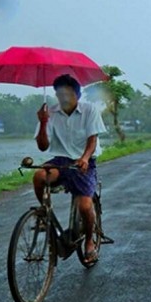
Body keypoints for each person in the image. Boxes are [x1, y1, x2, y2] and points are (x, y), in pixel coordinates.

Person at [33, 74, 107, 263]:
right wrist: (42, 123)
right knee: (39, 177)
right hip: (61, 161)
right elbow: (42, 146)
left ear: (77, 95)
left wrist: (84, 158)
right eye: (59, 94)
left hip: (84, 162)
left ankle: (89, 241)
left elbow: (92, 139)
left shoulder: (89, 110)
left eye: (68, 94)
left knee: (84, 204)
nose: (64, 98)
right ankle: (44, 214)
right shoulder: (50, 113)